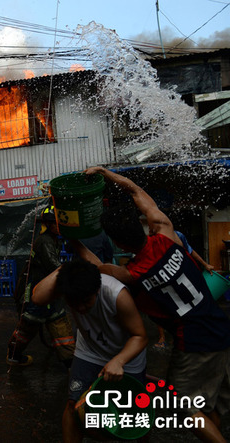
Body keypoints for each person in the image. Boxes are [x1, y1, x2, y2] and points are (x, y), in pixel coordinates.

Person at [81, 166, 230, 442]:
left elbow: (96, 265)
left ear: (117, 242)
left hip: (195, 344)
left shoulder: (132, 274)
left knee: (185, 408)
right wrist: (104, 172)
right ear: (140, 224)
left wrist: (70, 235)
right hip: (222, 329)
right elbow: (136, 190)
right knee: (208, 407)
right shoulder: (166, 232)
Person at [31, 259, 147, 443]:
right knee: (73, 405)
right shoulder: (72, 286)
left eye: (86, 302)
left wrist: (118, 361)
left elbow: (140, 336)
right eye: (74, 303)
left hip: (126, 356)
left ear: (97, 290)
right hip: (90, 351)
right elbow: (37, 297)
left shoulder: (117, 294)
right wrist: (67, 269)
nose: (80, 308)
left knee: (133, 419)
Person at [6, 205, 75, 368]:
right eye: (57, 224)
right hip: (37, 291)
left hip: (48, 290)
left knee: (58, 322)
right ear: (49, 224)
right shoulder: (44, 241)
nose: (59, 227)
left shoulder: (52, 239)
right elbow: (55, 267)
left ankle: (70, 362)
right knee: (29, 325)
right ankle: (14, 356)